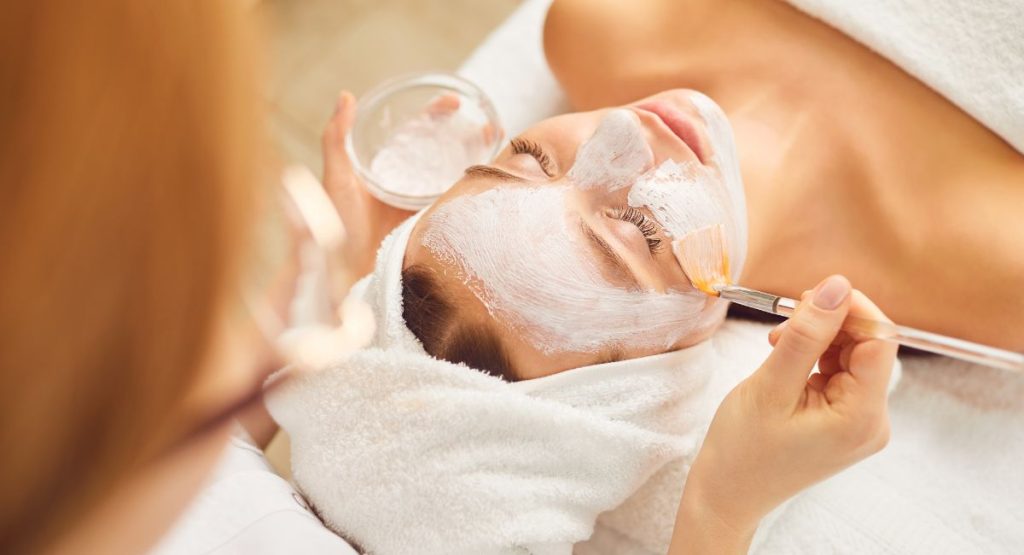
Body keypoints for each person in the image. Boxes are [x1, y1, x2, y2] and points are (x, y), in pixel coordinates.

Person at [0, 2, 895, 554]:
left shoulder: (602, 27)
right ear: (671, 373)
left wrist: (346, 279)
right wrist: (721, 505)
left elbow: (178, 454)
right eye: (642, 235)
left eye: (526, 157)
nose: (622, 137)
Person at [542, 0, 1024, 352]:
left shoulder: (601, 27)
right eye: (627, 229)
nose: (605, 145)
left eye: (531, 160)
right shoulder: (999, 271)